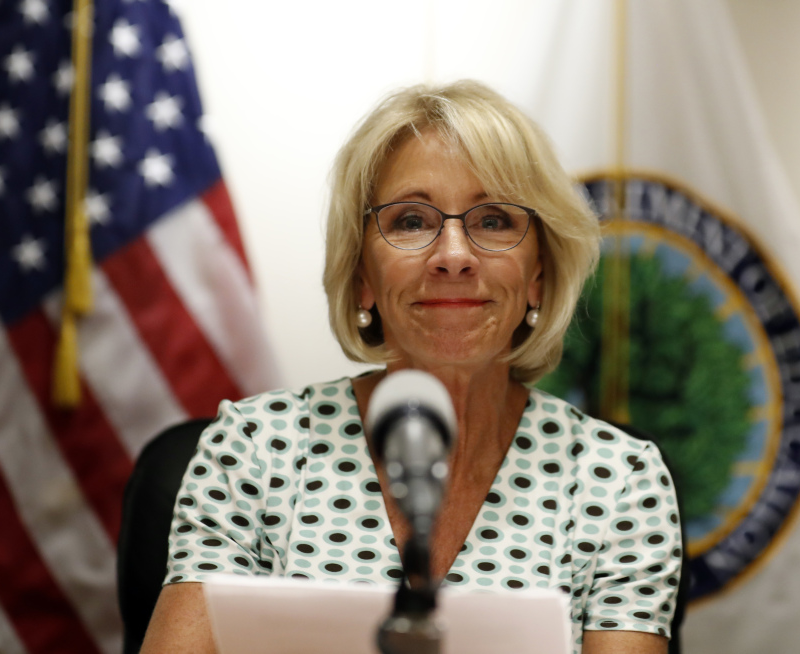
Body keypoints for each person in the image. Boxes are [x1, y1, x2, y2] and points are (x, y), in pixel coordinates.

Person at [140, 80, 682, 654]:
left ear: (539, 276)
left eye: (494, 219)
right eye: (411, 221)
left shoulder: (618, 479)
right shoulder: (255, 448)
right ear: (363, 276)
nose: (453, 256)